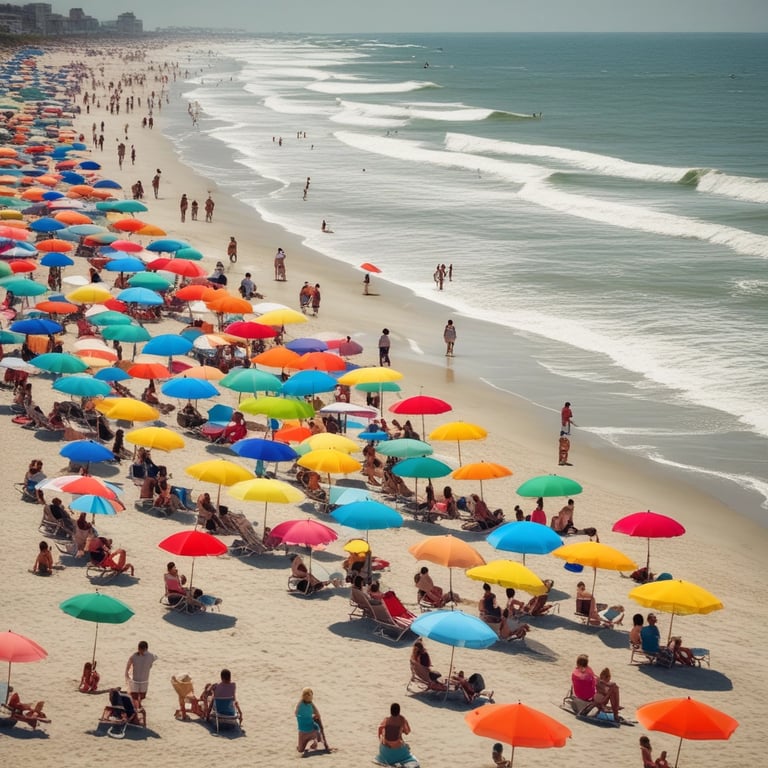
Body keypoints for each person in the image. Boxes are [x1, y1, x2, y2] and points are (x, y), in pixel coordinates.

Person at [571, 654, 621, 722]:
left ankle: (615, 710)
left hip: (580, 694)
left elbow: (593, 680)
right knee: (613, 689)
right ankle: (615, 713)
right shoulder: (587, 672)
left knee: (612, 688)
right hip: (588, 696)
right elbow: (594, 684)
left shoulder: (575, 671)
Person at [125, 641, 157, 709]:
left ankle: (139, 704)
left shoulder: (151, 656)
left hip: (144, 680)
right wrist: (127, 672)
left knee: (142, 696)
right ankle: (136, 706)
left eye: (142, 650)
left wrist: (150, 664)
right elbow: (129, 662)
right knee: (135, 696)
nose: (140, 651)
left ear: (146, 649)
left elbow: (155, 658)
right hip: (135, 680)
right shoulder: (134, 656)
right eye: (139, 649)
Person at [295, 687, 322, 754]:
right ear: (303, 696)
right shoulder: (300, 704)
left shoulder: (311, 704)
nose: (307, 696)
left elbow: (317, 713)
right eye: (305, 695)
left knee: (316, 730)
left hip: (311, 729)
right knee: (300, 750)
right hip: (302, 732)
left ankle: (316, 740)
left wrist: (317, 715)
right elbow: (296, 711)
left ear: (311, 697)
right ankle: (311, 742)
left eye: (309, 695)